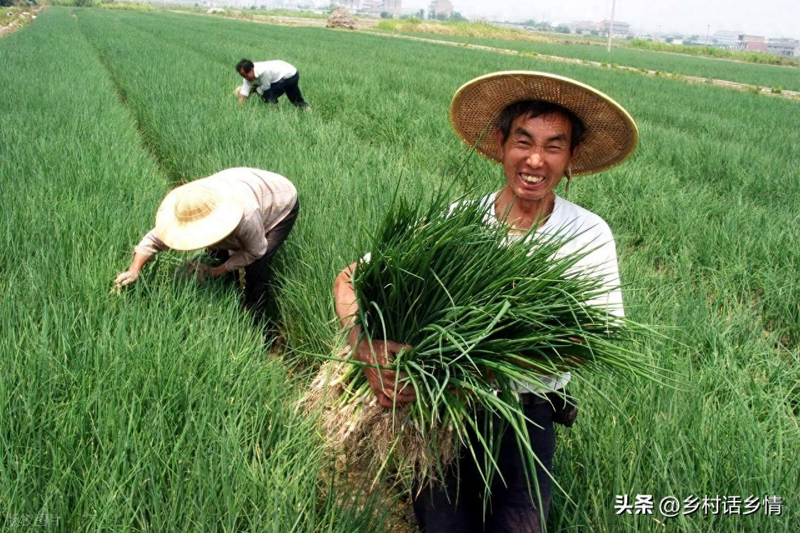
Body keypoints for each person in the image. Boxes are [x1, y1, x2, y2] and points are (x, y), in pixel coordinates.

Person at [332, 71, 638, 532]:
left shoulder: (586, 235)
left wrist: (470, 372)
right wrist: (366, 348)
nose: (535, 159)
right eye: (524, 141)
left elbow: (589, 340)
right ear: (500, 143)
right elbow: (350, 278)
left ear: (571, 156)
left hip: (525, 420)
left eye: (554, 145)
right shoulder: (459, 220)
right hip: (438, 419)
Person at [115, 167, 299, 324]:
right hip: (242, 184)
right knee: (217, 251)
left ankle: (256, 324)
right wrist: (134, 269)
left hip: (279, 202)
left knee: (257, 267)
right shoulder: (189, 209)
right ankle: (230, 297)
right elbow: (153, 240)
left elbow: (256, 250)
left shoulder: (246, 215)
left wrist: (216, 271)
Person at [235, 58, 309, 109]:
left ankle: (275, 113)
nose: (245, 78)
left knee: (267, 95)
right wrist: (239, 108)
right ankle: (308, 111)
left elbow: (265, 87)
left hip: (289, 76)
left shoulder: (263, 72)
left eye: (245, 75)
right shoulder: (248, 75)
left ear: (251, 70)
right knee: (296, 100)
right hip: (290, 72)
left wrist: (253, 90)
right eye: (243, 76)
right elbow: (244, 93)